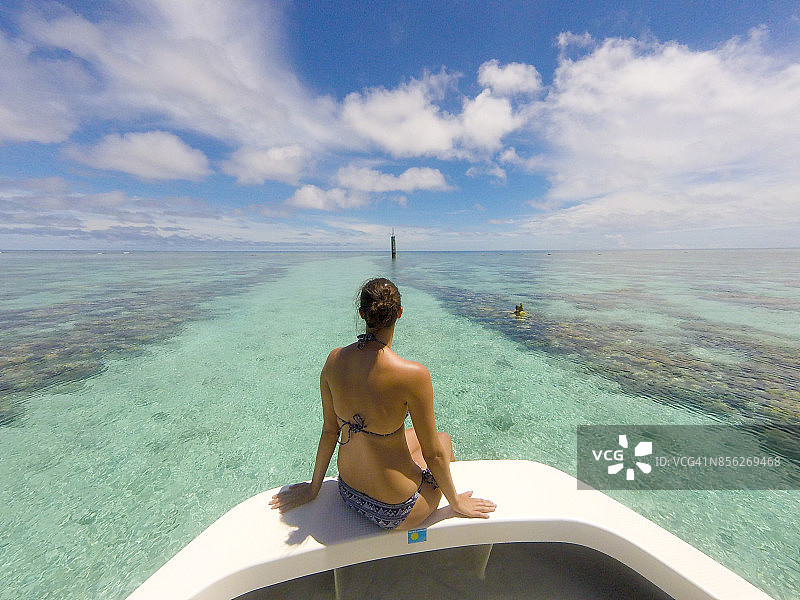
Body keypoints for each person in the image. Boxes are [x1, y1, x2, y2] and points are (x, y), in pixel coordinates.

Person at [269, 277, 496, 530]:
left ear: (362, 314)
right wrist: (455, 503)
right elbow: (433, 454)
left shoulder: (334, 360)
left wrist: (314, 488)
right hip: (396, 510)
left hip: (349, 493)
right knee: (443, 440)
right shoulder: (412, 374)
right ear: (399, 313)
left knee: (407, 440)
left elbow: (329, 431)